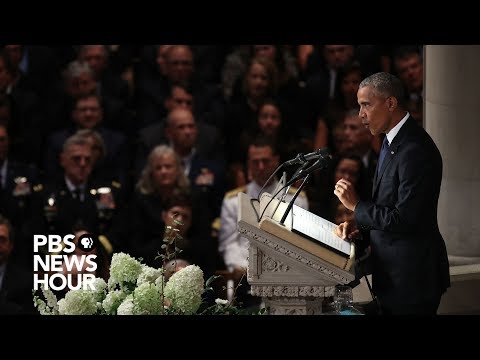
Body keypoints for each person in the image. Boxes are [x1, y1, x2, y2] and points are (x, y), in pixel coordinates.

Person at [333, 72, 450, 315]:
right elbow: (387, 206)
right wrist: (359, 231)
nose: (361, 114)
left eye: (366, 105)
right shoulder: (390, 142)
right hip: (394, 279)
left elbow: (404, 219)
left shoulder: (415, 150)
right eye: (359, 106)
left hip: (412, 282)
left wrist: (357, 206)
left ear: (390, 103)